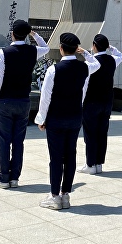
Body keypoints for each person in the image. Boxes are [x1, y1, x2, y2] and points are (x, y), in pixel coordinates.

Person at [0, 19, 49, 189]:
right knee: (18, 142)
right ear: (27, 34)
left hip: (5, 101)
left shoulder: (4, 52)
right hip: (23, 101)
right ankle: (14, 178)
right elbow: (47, 48)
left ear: (12, 34)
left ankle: (3, 178)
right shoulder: (33, 51)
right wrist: (34, 34)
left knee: (3, 141)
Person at [35, 32, 92, 210]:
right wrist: (86, 54)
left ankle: (54, 196)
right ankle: (65, 195)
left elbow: (46, 98)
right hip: (75, 116)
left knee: (56, 157)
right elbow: (96, 63)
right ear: (76, 49)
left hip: (56, 118)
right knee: (71, 155)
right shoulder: (85, 68)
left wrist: (41, 118)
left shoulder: (54, 69)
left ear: (61, 49)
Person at [77, 34, 122, 175]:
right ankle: (99, 164)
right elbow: (120, 55)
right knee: (102, 133)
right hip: (107, 102)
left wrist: (80, 103)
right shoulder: (112, 60)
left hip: (91, 102)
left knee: (90, 134)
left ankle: (90, 164)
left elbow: (84, 86)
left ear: (94, 46)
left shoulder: (90, 63)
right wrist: (110, 47)